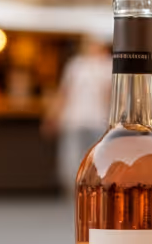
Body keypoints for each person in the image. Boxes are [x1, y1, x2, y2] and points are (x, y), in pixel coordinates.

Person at [44, 38, 112, 194]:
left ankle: (94, 191)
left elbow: (109, 96)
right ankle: (75, 191)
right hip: (74, 120)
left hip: (98, 121)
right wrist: (53, 116)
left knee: (97, 159)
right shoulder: (76, 65)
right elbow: (65, 93)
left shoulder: (108, 65)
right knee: (72, 159)